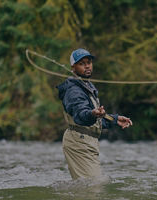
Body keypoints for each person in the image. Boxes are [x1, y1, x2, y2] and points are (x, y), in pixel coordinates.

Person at [56, 48, 133, 180]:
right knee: (93, 187)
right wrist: (92, 113)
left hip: (86, 141)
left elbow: (94, 121)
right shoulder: (74, 91)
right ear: (73, 68)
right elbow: (81, 115)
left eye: (89, 62)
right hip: (79, 142)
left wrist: (114, 120)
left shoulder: (86, 86)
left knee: (89, 187)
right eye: (82, 63)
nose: (87, 66)